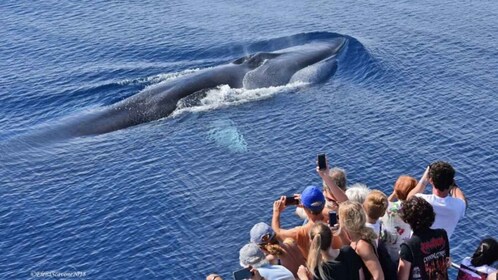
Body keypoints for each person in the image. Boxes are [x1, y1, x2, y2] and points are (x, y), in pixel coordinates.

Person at [407, 161, 466, 239]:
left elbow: (409, 199)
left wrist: (424, 179)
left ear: (431, 180)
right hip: (441, 248)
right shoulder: (458, 206)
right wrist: (452, 184)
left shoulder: (422, 201)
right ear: (451, 182)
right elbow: (462, 199)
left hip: (418, 248)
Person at [398, 196, 450, 280]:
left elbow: (402, 278)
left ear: (408, 220)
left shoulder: (408, 246)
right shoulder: (442, 234)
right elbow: (447, 262)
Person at [272, 186, 327, 260]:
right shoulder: (331, 216)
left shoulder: (300, 233)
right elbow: (322, 208)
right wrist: (306, 203)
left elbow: (277, 233)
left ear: (304, 207)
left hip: (314, 267)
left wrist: (276, 212)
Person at [296, 222, 364, 280]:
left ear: (312, 242)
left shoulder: (318, 270)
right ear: (332, 237)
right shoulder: (348, 252)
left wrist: (303, 277)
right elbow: (362, 278)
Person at [339, 200, 384, 280]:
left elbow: (379, 277)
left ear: (346, 221)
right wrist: (340, 234)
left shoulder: (362, 245)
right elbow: (350, 251)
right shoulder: (356, 238)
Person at [381, 175, 418, 263]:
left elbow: (386, 202)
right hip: (403, 255)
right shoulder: (414, 210)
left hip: (385, 252)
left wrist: (394, 194)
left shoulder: (388, 207)